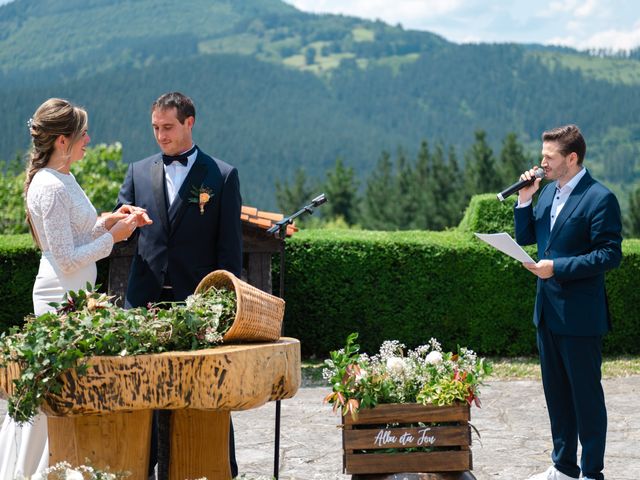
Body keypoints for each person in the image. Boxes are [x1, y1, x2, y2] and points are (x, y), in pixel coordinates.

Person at [0, 98, 150, 479]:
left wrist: (112, 220)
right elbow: (66, 258)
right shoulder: (48, 186)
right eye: (83, 134)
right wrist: (115, 238)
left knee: (66, 385)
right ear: (63, 141)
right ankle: (38, 470)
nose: (89, 139)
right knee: (56, 389)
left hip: (74, 293)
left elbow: (79, 234)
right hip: (57, 295)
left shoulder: (64, 177)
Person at [116, 91, 242, 478]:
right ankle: (145, 466)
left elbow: (229, 250)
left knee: (206, 388)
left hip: (198, 303)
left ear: (190, 122)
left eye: (168, 127)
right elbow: (118, 230)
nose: (160, 136)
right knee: (144, 389)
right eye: (155, 128)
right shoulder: (138, 171)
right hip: (145, 300)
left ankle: (219, 465)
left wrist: (225, 307)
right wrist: (123, 221)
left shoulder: (220, 175)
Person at [514, 125, 622, 480]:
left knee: (586, 399)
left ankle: (591, 472)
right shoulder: (546, 194)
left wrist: (557, 267)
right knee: (557, 396)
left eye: (549, 157)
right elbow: (529, 236)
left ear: (571, 158)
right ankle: (563, 468)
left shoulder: (599, 198)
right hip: (547, 312)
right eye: (542, 156)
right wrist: (526, 198)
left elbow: (609, 255)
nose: (541, 163)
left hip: (579, 316)